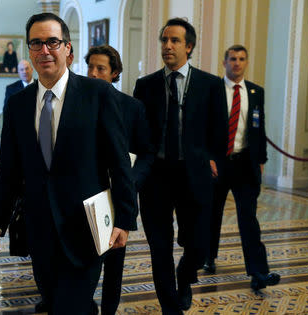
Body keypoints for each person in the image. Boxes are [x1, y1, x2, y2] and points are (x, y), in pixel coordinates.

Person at [0, 13, 137, 314]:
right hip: (38, 230)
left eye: (52, 41)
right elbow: (8, 171)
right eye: (36, 43)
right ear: (28, 50)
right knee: (55, 303)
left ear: (67, 48)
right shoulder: (17, 104)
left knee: (71, 306)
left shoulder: (99, 95)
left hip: (87, 228)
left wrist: (124, 220)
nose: (44, 50)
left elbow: (120, 162)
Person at [133, 18, 222, 313]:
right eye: (164, 40)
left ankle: (185, 279)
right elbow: (138, 134)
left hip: (193, 176)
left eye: (174, 41)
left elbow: (219, 132)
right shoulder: (145, 86)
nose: (167, 46)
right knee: (160, 249)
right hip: (155, 177)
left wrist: (211, 158)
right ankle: (171, 307)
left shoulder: (211, 85)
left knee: (197, 247)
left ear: (189, 46)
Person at [203, 44, 280, 291]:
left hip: (245, 164)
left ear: (246, 62)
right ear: (224, 62)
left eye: (242, 59)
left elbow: (260, 129)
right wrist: (207, 159)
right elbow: (201, 128)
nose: (237, 63)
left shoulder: (256, 92)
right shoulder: (213, 90)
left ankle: (259, 272)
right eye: (233, 59)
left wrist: (261, 161)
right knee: (212, 214)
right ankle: (209, 256)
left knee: (248, 218)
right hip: (218, 163)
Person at [85, 44, 153, 314]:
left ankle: (109, 309)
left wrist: (129, 182)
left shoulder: (132, 107)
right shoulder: (75, 102)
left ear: (114, 73)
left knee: (114, 260)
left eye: (100, 68)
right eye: (90, 67)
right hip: (83, 193)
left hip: (117, 196)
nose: (93, 73)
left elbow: (146, 152)